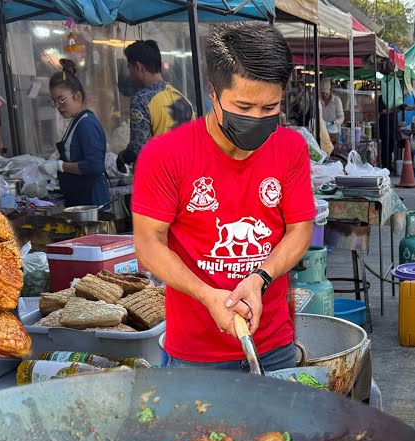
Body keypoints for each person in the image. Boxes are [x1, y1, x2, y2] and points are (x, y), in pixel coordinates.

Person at [132, 23, 314, 372]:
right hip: (196, 356)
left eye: (269, 108)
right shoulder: (166, 154)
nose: (256, 119)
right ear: (213, 93)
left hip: (274, 344)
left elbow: (300, 229)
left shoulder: (290, 148)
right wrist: (207, 295)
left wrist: (260, 278)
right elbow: (148, 243)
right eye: (243, 107)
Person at [118, 40, 194, 168]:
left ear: (138, 67)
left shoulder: (141, 100)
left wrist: (122, 157)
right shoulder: (181, 98)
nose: (130, 74)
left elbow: (137, 149)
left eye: (130, 68)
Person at [44, 61, 110, 208]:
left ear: (78, 96)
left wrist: (60, 166)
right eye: (54, 101)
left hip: (92, 201)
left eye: (62, 99)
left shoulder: (86, 125)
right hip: (81, 198)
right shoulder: (76, 121)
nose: (58, 106)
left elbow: (94, 166)